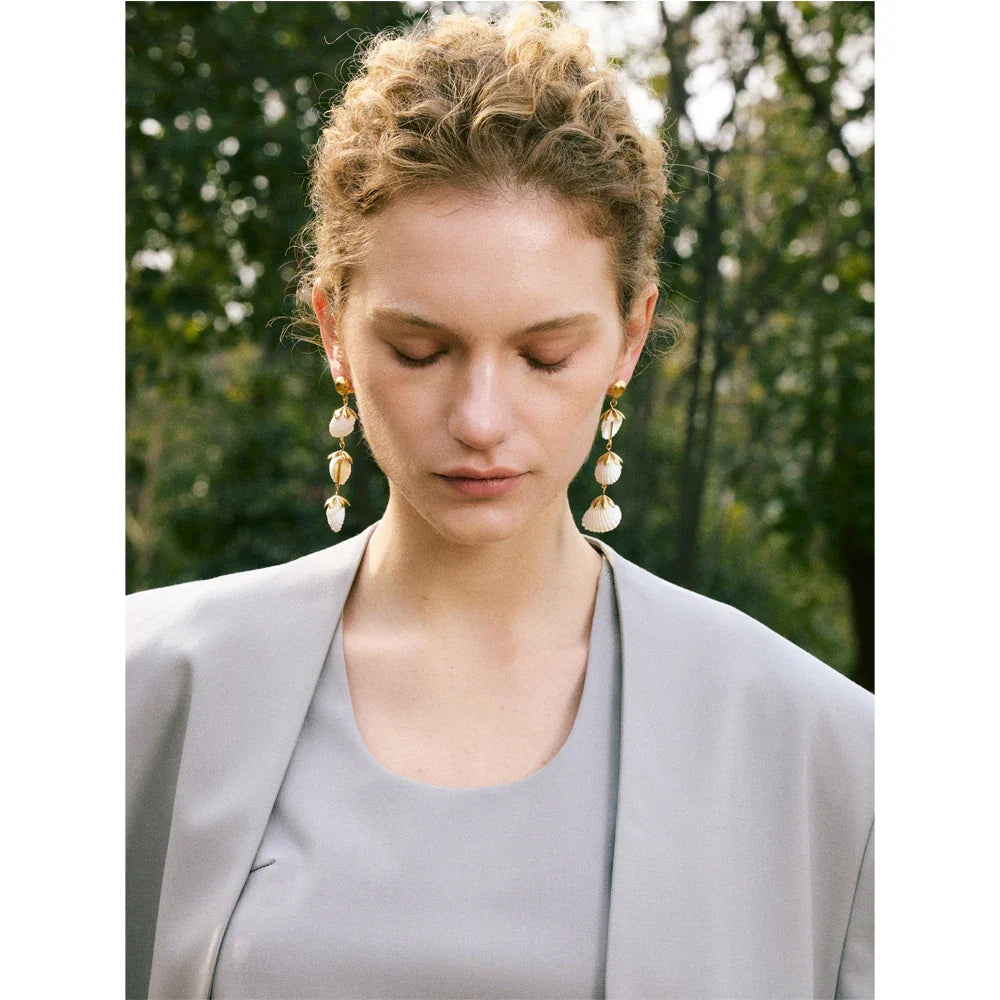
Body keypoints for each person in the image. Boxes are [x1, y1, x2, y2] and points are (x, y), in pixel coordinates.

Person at [126, 5, 873, 999]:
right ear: (333, 328)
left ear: (630, 336)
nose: (480, 419)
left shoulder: (829, 756)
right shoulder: (137, 690)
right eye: (419, 350)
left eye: (543, 355)